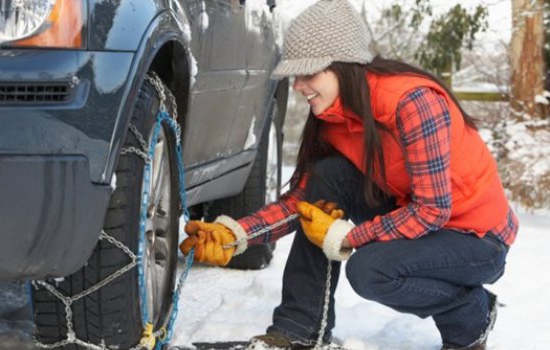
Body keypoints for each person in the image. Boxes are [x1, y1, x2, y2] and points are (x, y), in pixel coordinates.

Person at [179, 0, 518, 349]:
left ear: (344, 66)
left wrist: (347, 237)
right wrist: (235, 233)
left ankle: (472, 314)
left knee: (370, 270)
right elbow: (303, 203)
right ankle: (300, 331)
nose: (298, 85)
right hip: (420, 221)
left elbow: (433, 210)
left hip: (477, 239)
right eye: (295, 75)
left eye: (308, 73)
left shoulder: (413, 103)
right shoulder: (333, 119)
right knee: (329, 176)